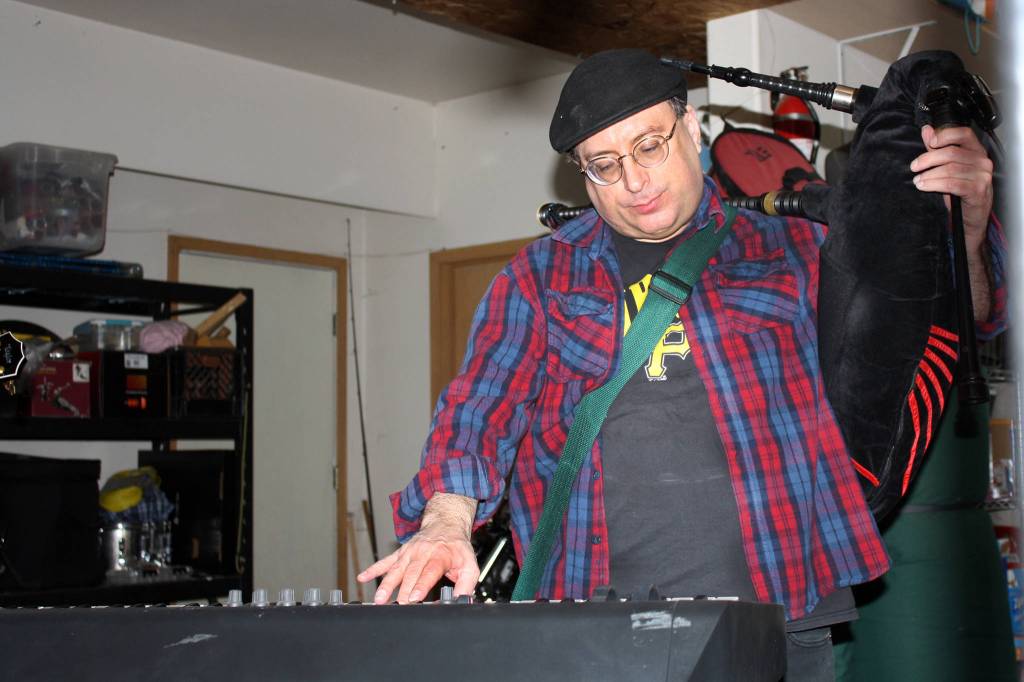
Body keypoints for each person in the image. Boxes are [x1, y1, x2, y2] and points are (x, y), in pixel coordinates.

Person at [358, 49, 1003, 680]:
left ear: (689, 128)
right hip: (595, 627)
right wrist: (445, 521)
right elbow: (480, 405)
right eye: (603, 165)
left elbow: (953, 320)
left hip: (784, 611)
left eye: (649, 146)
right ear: (581, 175)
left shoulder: (797, 250)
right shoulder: (540, 277)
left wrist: (968, 227)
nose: (634, 181)